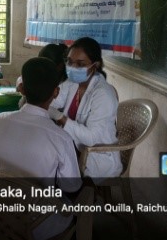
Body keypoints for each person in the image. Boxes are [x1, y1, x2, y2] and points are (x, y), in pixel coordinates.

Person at [0, 57, 82, 240]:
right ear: (56, 92)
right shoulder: (61, 138)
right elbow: (71, 185)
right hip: (37, 226)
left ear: (21, 89)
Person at [49, 37, 121, 179]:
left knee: (46, 164)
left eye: (80, 64)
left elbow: (92, 138)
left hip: (94, 156)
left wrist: (61, 118)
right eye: (69, 62)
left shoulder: (103, 94)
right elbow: (51, 102)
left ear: (95, 65)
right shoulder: (72, 83)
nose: (73, 68)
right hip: (73, 147)